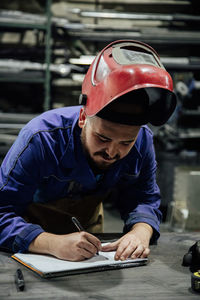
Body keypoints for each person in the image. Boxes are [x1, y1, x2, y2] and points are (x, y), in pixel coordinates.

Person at [0, 40, 176, 262]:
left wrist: (141, 231)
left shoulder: (142, 142)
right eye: (103, 138)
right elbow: (1, 212)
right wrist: (51, 243)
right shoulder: (41, 139)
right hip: (31, 248)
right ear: (83, 117)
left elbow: (143, 198)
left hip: (92, 247)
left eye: (125, 143)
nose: (112, 152)